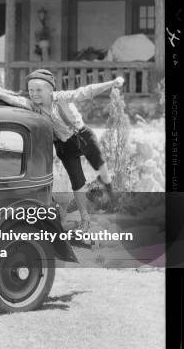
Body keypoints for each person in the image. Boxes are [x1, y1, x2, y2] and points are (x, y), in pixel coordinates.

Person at [25, 69, 124, 231]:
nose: (34, 94)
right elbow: (11, 99)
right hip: (64, 145)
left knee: (102, 169)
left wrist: (112, 83)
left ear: (51, 90)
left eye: (38, 90)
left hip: (82, 136)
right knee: (77, 182)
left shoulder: (62, 97)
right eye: (30, 90)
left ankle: (112, 200)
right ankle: (85, 218)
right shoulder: (32, 106)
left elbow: (86, 92)